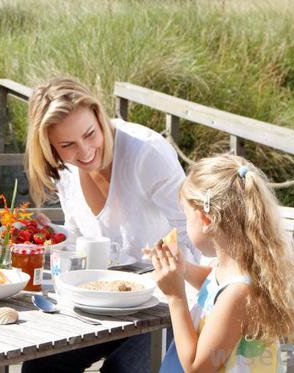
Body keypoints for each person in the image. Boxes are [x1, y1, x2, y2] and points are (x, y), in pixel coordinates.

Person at [22, 77, 200, 372]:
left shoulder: (146, 153)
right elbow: (81, 235)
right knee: (40, 366)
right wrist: (56, 238)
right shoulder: (65, 169)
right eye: (67, 145)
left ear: (98, 115)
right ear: (51, 148)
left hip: (163, 305)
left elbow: (193, 234)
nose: (85, 151)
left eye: (90, 134)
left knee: (121, 370)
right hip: (99, 301)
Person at [151, 154, 294, 372]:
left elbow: (197, 367)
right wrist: (182, 269)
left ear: (206, 220)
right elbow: (213, 287)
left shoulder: (240, 294)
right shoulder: (232, 267)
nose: (185, 224)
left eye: (186, 217)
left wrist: (175, 296)